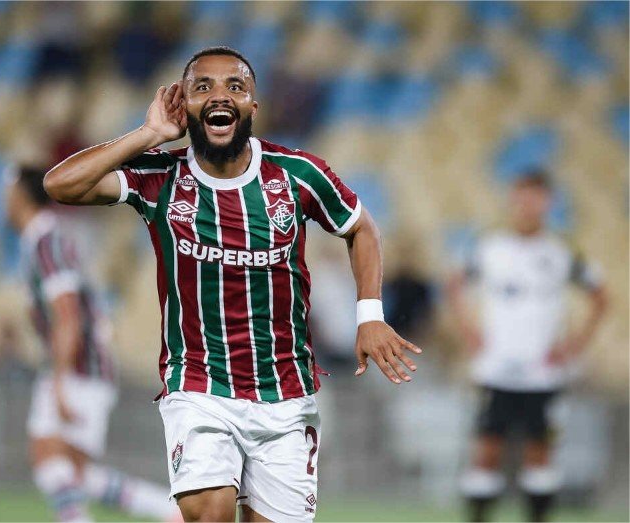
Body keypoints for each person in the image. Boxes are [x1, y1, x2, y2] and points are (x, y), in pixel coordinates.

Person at [43, 46, 421, 522]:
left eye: (235, 87)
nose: (220, 95)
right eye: (203, 87)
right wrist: (149, 134)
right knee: (210, 512)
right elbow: (61, 185)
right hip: (199, 386)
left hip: (285, 394)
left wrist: (370, 316)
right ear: (185, 104)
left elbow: (360, 227)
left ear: (252, 108)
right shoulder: (161, 175)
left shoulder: (297, 175)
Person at [6, 166, 180, 522]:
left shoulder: (46, 241)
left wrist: (58, 382)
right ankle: (168, 510)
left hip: (80, 367)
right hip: (82, 367)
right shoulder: (40, 241)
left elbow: (68, 315)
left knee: (50, 460)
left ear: (21, 196)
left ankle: (162, 510)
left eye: (7, 191)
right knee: (72, 471)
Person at [447, 172, 608, 522]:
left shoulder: (562, 250)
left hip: (543, 372)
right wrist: (469, 330)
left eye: (537, 198)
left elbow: (601, 296)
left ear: (549, 202)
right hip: (495, 367)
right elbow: (455, 284)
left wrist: (574, 344)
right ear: (512, 199)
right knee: (487, 451)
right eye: (522, 197)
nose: (528, 206)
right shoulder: (489, 246)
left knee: (540, 453)